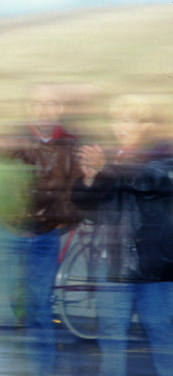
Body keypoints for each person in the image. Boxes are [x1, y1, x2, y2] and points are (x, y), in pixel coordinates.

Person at [0, 83, 83, 375]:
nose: (44, 110)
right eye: (38, 103)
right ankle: (0, 367)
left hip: (44, 236)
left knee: (39, 308)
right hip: (7, 229)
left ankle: (43, 370)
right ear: (29, 108)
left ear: (59, 109)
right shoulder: (17, 137)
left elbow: (81, 188)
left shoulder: (72, 144)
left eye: (51, 104)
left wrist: (68, 219)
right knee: (3, 306)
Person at [72, 94, 173, 376]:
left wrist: (106, 169)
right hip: (114, 262)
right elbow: (89, 208)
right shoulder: (111, 158)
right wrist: (90, 179)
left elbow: (148, 183)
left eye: (127, 120)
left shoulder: (164, 155)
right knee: (111, 334)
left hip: (155, 266)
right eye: (117, 120)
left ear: (146, 125)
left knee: (161, 333)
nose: (120, 127)